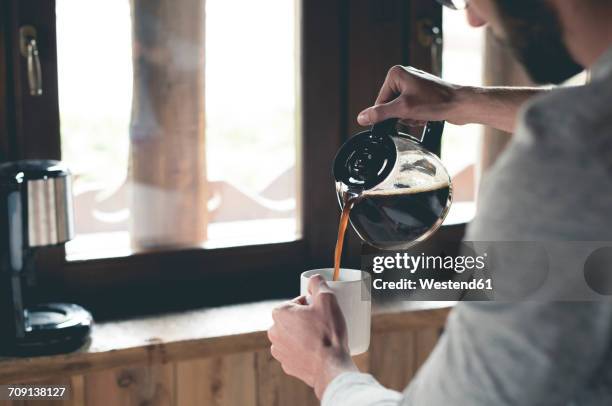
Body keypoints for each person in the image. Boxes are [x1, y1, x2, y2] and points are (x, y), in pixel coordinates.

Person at [268, 0, 612, 404]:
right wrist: (458, 101)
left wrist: (327, 369)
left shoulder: (565, 166)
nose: (473, 18)